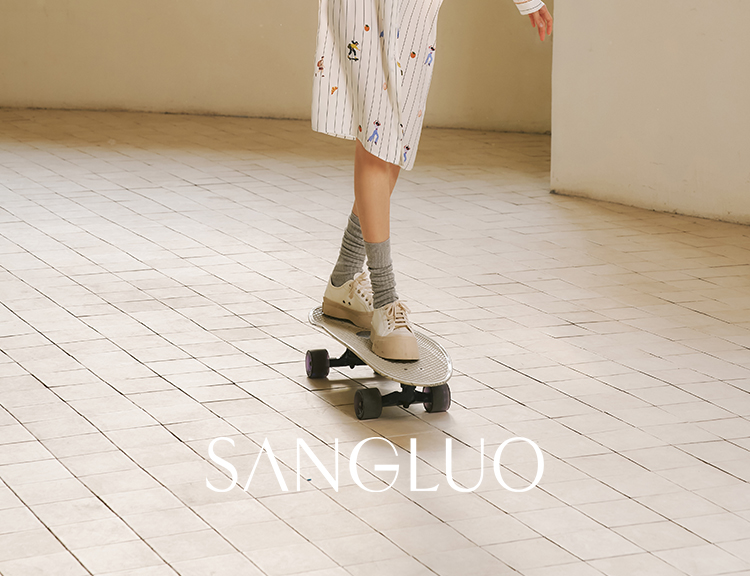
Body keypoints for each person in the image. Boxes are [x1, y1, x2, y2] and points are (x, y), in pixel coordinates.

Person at [312, 0, 553, 360]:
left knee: (395, 144)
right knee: (377, 138)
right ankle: (385, 299)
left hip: (416, 10)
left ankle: (344, 278)